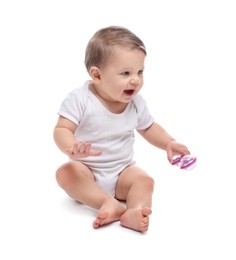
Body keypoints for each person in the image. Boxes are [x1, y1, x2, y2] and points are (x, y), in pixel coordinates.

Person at [53, 25, 190, 232]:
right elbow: (62, 128)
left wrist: (168, 142)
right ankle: (106, 202)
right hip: (87, 170)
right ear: (97, 75)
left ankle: (134, 211)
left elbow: (149, 127)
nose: (135, 80)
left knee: (144, 180)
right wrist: (71, 146)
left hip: (122, 172)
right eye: (125, 73)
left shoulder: (136, 103)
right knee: (65, 173)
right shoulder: (80, 99)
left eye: (140, 72)